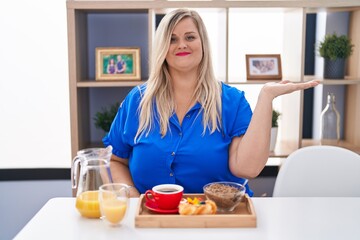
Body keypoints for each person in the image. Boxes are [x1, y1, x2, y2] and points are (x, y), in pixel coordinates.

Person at [103, 9, 319, 198]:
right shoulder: (138, 101)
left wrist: (266, 97)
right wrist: (131, 199)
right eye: (172, 39)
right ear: (162, 47)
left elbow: (247, 168)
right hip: (152, 217)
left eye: (190, 37)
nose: (182, 45)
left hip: (221, 215)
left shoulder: (232, 101)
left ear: (203, 44)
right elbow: (114, 160)